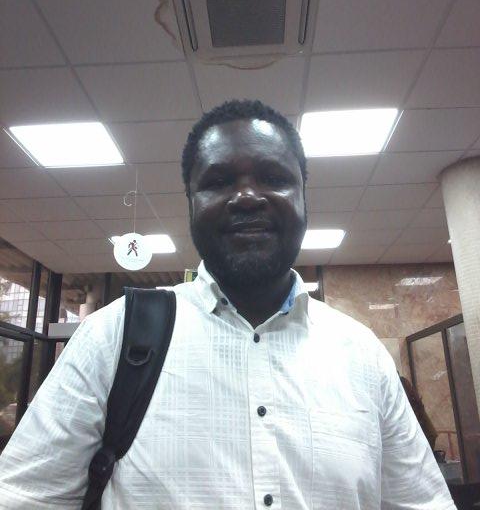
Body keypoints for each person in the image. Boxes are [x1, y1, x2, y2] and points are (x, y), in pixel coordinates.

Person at [0, 99, 456, 509]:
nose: (247, 197)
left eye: (274, 178)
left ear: (303, 197)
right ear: (191, 204)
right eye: (218, 182)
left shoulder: (363, 355)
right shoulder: (111, 336)